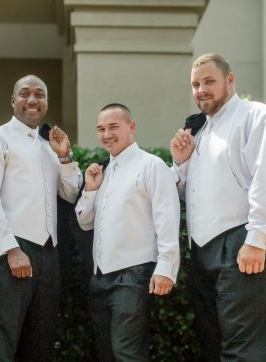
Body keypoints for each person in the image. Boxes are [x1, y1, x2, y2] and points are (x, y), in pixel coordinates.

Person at [170, 53, 266, 361]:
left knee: (243, 348)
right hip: (203, 250)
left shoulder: (259, 117)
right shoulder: (200, 132)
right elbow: (191, 195)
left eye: (209, 81)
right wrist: (181, 165)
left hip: (242, 241)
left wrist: (256, 240)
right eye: (195, 84)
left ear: (230, 81)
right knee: (212, 343)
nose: (201, 90)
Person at [0, 75, 81, 361]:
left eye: (40, 95)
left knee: (42, 337)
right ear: (13, 100)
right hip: (14, 248)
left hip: (49, 253)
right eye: (25, 93)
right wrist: (11, 249)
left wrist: (66, 157)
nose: (32, 100)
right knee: (5, 336)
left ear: (46, 103)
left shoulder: (51, 146)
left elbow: (70, 194)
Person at [75, 103, 180, 362]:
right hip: (100, 278)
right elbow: (85, 222)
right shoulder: (102, 171)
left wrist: (167, 267)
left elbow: (167, 219)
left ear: (131, 127)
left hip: (134, 274)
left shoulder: (152, 166)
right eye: (101, 129)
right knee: (106, 353)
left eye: (113, 127)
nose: (106, 134)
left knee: (127, 353)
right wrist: (90, 190)